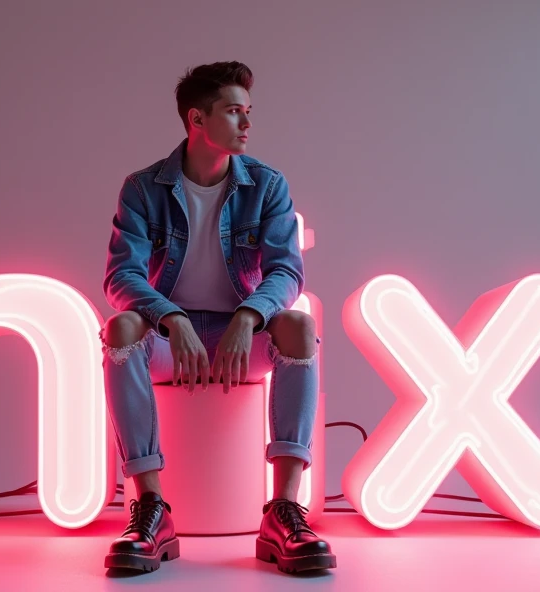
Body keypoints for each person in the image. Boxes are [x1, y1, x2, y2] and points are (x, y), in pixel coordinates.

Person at [98, 61, 335, 575]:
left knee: (298, 324)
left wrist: (249, 316)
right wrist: (173, 318)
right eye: (233, 112)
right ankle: (151, 510)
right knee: (120, 329)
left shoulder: (267, 186)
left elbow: (286, 272)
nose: (247, 124)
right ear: (196, 119)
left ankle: (284, 511)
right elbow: (121, 276)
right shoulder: (143, 189)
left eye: (248, 112)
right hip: (170, 344)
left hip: (237, 343)